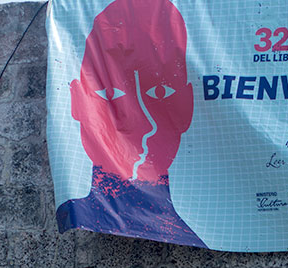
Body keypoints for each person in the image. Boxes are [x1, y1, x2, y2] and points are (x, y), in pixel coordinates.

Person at [55, 0, 207, 248]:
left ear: (188, 104)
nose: (144, 125)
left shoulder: (202, 235)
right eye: (112, 95)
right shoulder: (70, 215)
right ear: (76, 100)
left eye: (159, 92)